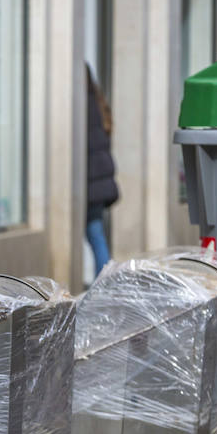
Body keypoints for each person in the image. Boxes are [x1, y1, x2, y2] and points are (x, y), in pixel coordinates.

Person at [86, 65, 120, 277]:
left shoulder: (85, 106)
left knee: (95, 233)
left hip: (91, 183)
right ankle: (107, 278)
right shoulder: (97, 103)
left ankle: (105, 280)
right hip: (98, 182)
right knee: (96, 233)